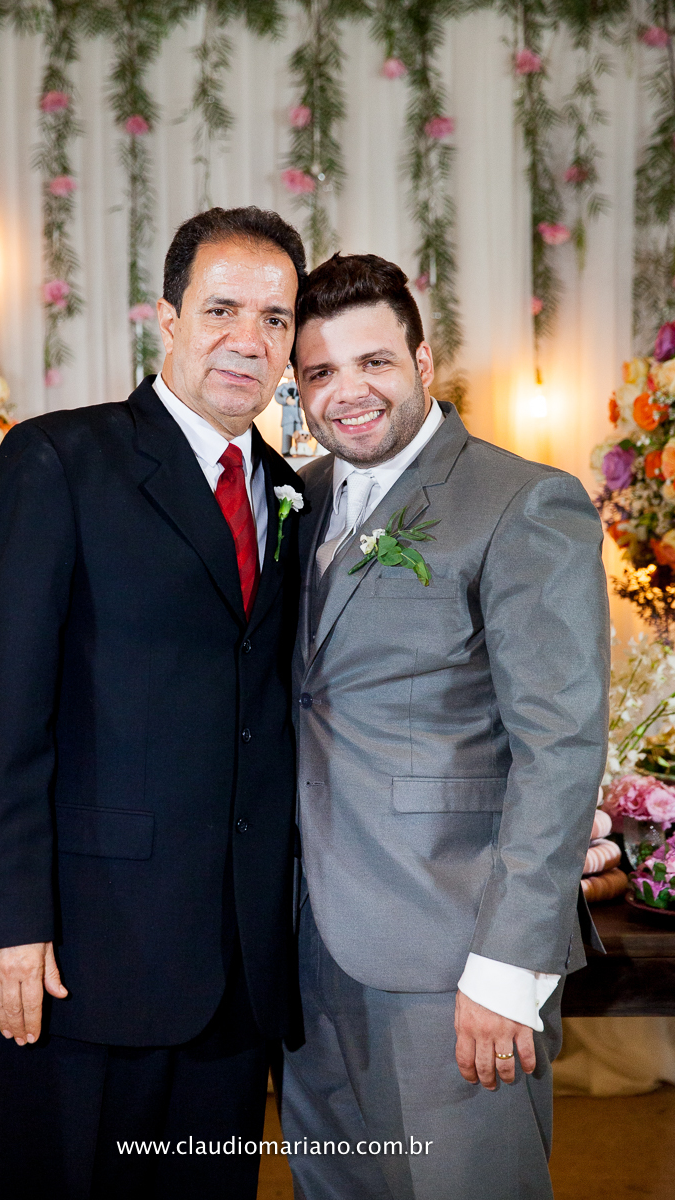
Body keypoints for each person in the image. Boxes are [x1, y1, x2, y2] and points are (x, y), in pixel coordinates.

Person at [0, 206, 307, 1200]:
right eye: (222, 309)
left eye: (275, 319)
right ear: (168, 317)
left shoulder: (288, 490)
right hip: (87, 954)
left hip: (236, 965)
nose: (248, 339)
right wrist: (6, 921)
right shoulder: (61, 459)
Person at [282, 253, 609, 1200]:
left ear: (423, 362)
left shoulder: (521, 501)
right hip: (304, 945)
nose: (348, 392)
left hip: (453, 948)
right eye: (320, 371)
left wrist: (509, 964)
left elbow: (560, 745)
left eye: (374, 362)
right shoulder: (296, 500)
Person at [275, 362, 304, 455]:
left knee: (300, 433)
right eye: (288, 366)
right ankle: (286, 451)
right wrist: (285, 399)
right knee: (287, 434)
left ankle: (301, 450)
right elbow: (277, 396)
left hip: (298, 417)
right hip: (288, 417)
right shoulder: (282, 387)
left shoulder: (300, 386)